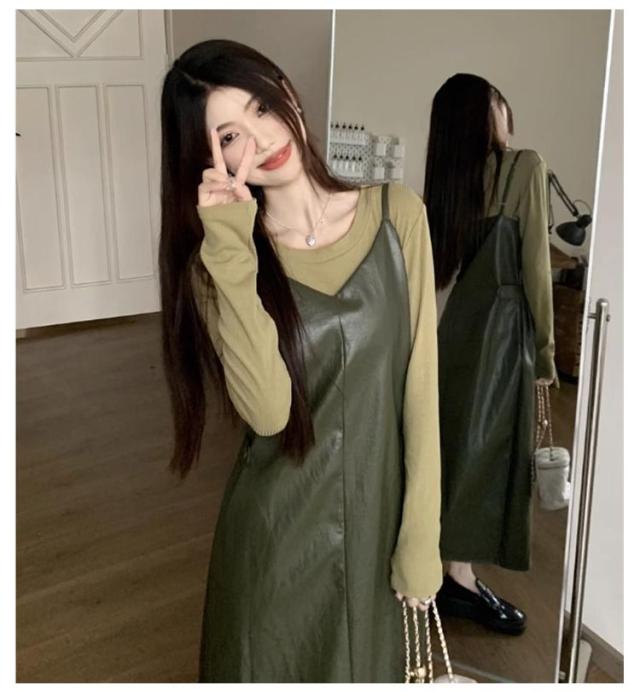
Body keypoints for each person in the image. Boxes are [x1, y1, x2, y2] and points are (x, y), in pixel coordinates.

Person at [159, 39, 442, 682]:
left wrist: (422, 534)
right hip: (274, 547)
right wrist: (230, 246)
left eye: (262, 106)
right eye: (230, 136)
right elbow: (268, 413)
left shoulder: (398, 215)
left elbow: (421, 390)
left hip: (377, 535)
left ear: (287, 91)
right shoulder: (220, 265)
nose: (262, 138)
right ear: (207, 159)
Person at [423, 74, 557, 635]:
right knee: (491, 458)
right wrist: (545, 355)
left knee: (455, 449)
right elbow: (536, 269)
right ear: (487, 113)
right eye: (501, 103)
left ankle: (444, 570)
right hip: (501, 336)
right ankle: (460, 579)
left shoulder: (446, 184)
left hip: (453, 334)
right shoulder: (524, 166)